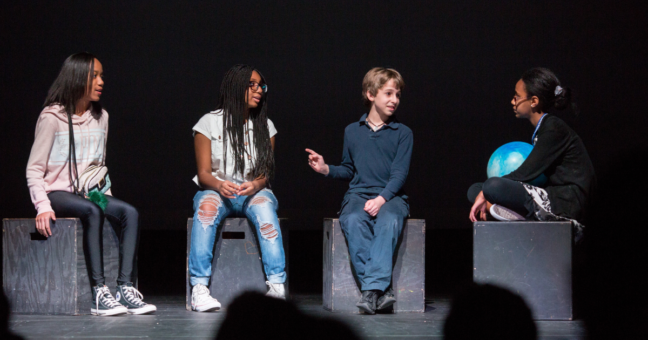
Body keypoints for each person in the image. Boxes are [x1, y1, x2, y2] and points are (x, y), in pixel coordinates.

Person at [26, 52, 155, 316]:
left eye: (101, 76)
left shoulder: (101, 117)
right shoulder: (52, 117)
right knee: (92, 211)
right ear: (76, 77)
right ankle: (99, 292)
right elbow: (34, 169)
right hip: (58, 192)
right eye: (94, 75)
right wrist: (42, 205)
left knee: (129, 212)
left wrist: (108, 198)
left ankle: (126, 288)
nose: (101, 81)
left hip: (91, 194)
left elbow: (99, 166)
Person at [306, 67, 413, 315]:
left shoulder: (403, 133)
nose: (394, 100)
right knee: (352, 219)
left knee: (388, 222)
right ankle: (381, 292)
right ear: (371, 94)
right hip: (358, 194)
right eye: (388, 93)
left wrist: (381, 199)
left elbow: (399, 174)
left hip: (391, 196)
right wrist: (325, 169)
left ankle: (369, 292)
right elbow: (348, 169)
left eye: (397, 95)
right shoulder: (352, 131)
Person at [189, 64, 287, 312]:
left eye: (261, 86)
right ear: (235, 87)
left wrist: (255, 184)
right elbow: (203, 175)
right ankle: (199, 288)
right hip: (217, 190)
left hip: (252, 193)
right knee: (207, 210)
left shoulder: (266, 126)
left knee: (266, 212)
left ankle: (277, 285)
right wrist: (220, 185)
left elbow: (265, 175)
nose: (258, 91)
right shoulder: (208, 123)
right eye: (251, 85)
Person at [468, 68, 596, 234]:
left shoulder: (553, 128)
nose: (512, 102)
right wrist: (484, 192)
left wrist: (487, 193)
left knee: (491, 187)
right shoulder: (545, 128)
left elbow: (526, 173)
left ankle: (528, 216)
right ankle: (522, 215)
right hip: (552, 194)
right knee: (474, 190)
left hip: (567, 202)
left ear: (534, 101)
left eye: (517, 97)